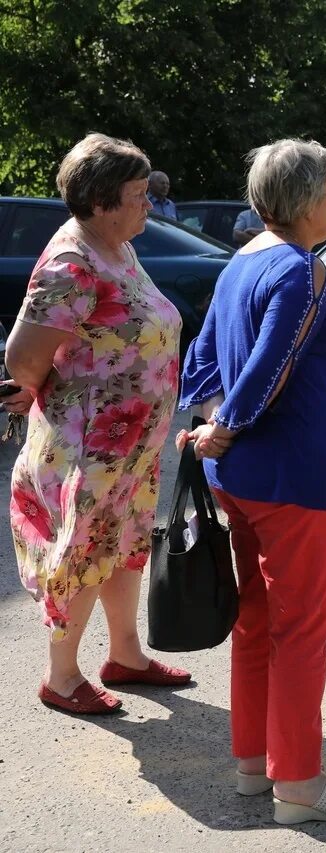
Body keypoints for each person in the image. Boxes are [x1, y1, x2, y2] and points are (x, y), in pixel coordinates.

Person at [178, 138, 326, 824]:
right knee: (301, 632)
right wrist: (227, 419)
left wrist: (209, 419)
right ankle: (301, 785)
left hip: (246, 478)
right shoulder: (299, 269)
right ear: (306, 200)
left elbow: (200, 356)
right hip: (297, 478)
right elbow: (271, 360)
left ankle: (255, 765)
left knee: (258, 623)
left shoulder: (242, 260)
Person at [7, 133, 190, 715]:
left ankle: (127, 655)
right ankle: (61, 677)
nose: (149, 204)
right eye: (138, 194)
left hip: (130, 445)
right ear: (102, 200)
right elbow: (23, 359)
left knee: (126, 543)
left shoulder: (118, 248)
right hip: (88, 445)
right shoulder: (72, 261)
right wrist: (33, 387)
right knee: (83, 554)